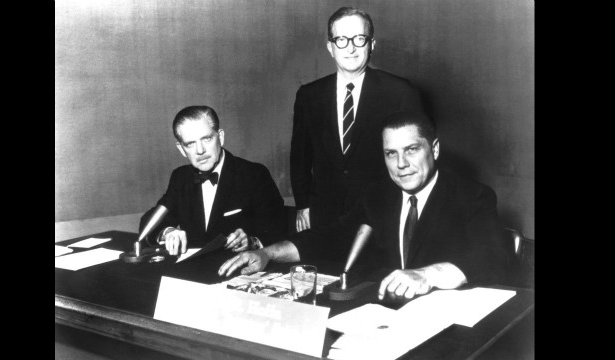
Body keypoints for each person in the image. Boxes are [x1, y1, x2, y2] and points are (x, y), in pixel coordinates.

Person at [219, 111, 509, 301]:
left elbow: (493, 257)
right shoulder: (379, 193)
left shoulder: (472, 195)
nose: (401, 164)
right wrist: (266, 253)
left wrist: (426, 275)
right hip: (384, 315)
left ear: (433, 149)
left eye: (411, 150)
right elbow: (331, 236)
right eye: (390, 153)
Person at [290, 7, 424, 235]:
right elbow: (300, 157)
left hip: (382, 216)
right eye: (341, 39)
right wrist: (303, 205)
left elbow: (417, 157)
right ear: (330, 47)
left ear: (372, 44)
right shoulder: (309, 95)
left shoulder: (400, 92)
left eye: (359, 39)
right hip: (324, 216)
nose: (350, 48)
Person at [139, 105, 285, 256]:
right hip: (192, 271)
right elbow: (149, 222)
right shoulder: (180, 177)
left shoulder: (254, 174)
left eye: (206, 139)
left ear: (220, 137)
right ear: (181, 149)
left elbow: (279, 229)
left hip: (241, 271)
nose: (200, 150)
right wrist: (168, 232)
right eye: (190, 144)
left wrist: (252, 242)